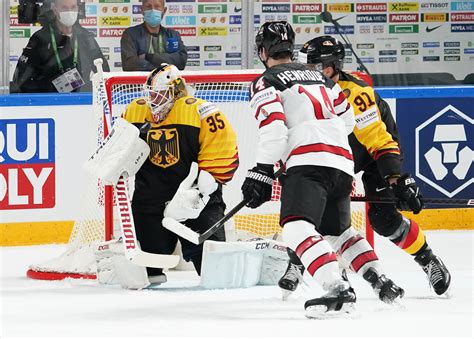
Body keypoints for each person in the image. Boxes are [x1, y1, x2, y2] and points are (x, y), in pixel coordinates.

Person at [241, 21, 403, 318]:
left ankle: (337, 286)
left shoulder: (265, 81)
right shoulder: (321, 78)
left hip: (307, 164)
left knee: (294, 228)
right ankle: (379, 279)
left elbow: (275, 129)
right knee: (338, 232)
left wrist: (261, 171)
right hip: (342, 162)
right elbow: (348, 120)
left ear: (263, 51)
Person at [279, 35, 451, 298]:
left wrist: (396, 178)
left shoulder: (357, 95)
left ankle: (428, 259)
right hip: (333, 154)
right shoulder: (303, 89)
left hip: (371, 153)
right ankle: (305, 262)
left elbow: (378, 140)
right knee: (308, 206)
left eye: (314, 66)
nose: (307, 71)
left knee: (384, 220)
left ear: (331, 67)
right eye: (305, 65)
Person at [116, 63, 238, 285]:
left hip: (197, 202)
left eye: (160, 94)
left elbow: (223, 149)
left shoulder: (201, 111)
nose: (154, 101)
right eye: (151, 94)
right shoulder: (135, 111)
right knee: (145, 275)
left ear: (177, 90)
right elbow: (116, 150)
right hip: (150, 201)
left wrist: (202, 189)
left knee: (216, 274)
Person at [11, 0, 109, 93]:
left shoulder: (86, 37)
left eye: (73, 7)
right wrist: (51, 87)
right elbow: (21, 81)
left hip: (82, 101)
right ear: (55, 10)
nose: (70, 12)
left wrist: (89, 88)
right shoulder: (40, 39)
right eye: (64, 8)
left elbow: (104, 73)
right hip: (51, 103)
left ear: (78, 9)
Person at [120, 0, 187, 71]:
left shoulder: (172, 35)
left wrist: (149, 57)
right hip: (142, 81)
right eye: (148, 7)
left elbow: (181, 62)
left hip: (168, 81)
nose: (153, 10)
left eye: (157, 7)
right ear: (142, 10)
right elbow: (130, 65)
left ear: (164, 11)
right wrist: (166, 65)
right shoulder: (130, 34)